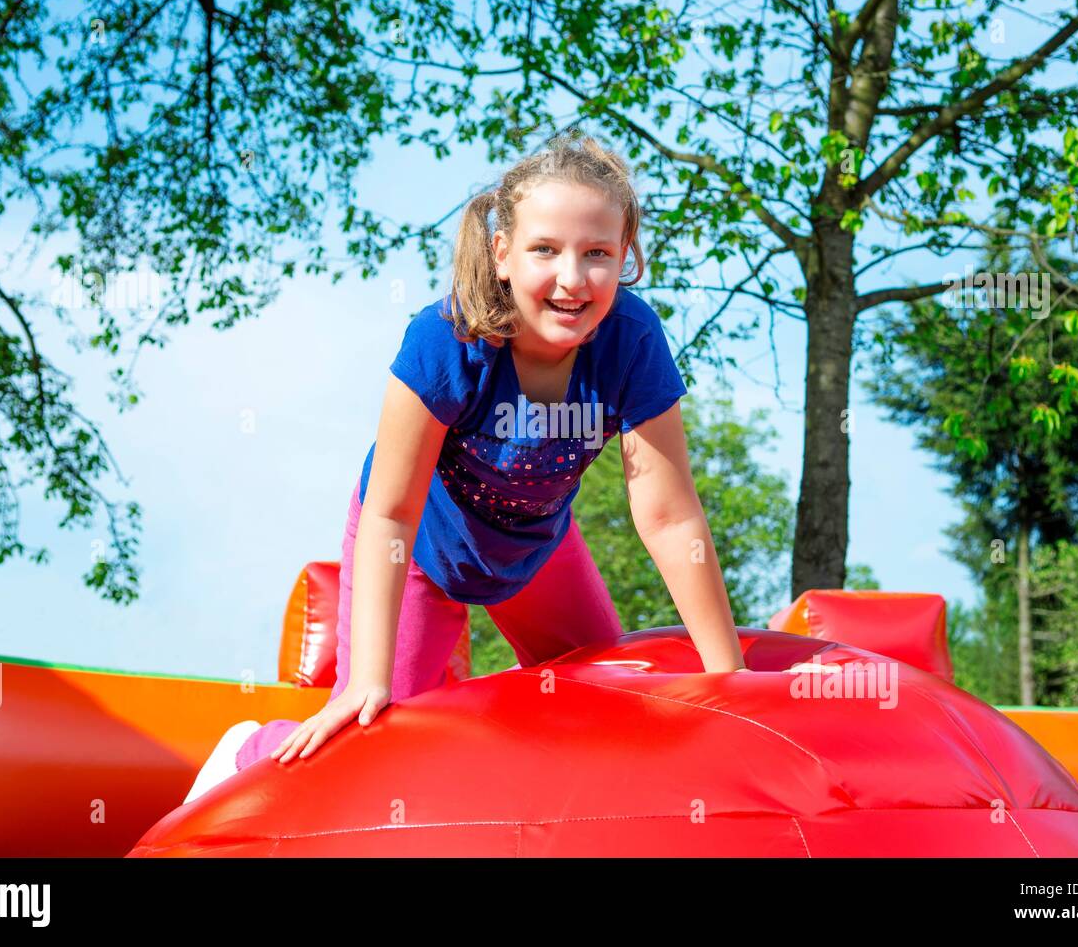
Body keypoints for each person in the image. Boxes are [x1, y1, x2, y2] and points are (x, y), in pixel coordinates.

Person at [185, 130, 747, 803]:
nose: (573, 279)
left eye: (597, 254)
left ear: (625, 256)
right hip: (420, 542)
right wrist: (371, 679)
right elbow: (391, 510)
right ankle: (247, 747)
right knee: (373, 728)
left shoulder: (632, 341)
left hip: (535, 549)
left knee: (603, 703)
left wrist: (729, 682)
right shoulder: (448, 340)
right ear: (502, 253)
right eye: (546, 250)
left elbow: (667, 512)